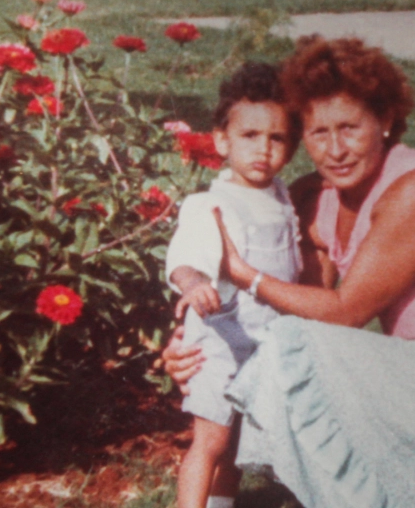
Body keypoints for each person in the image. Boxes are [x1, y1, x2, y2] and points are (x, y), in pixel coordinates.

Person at [164, 36, 415, 508]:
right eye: (317, 133)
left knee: (291, 350)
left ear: (385, 120)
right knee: (292, 349)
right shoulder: (314, 197)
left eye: (349, 128)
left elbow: (345, 312)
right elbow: (301, 308)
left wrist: (245, 275)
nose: (335, 150)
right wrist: (202, 342)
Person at [165, 62, 303, 508]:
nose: (263, 149)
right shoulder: (212, 204)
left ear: (291, 147)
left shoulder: (282, 200)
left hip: (267, 341)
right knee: (212, 440)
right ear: (222, 140)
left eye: (277, 138)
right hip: (222, 340)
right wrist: (193, 283)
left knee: (237, 444)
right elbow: (185, 258)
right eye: (250, 135)